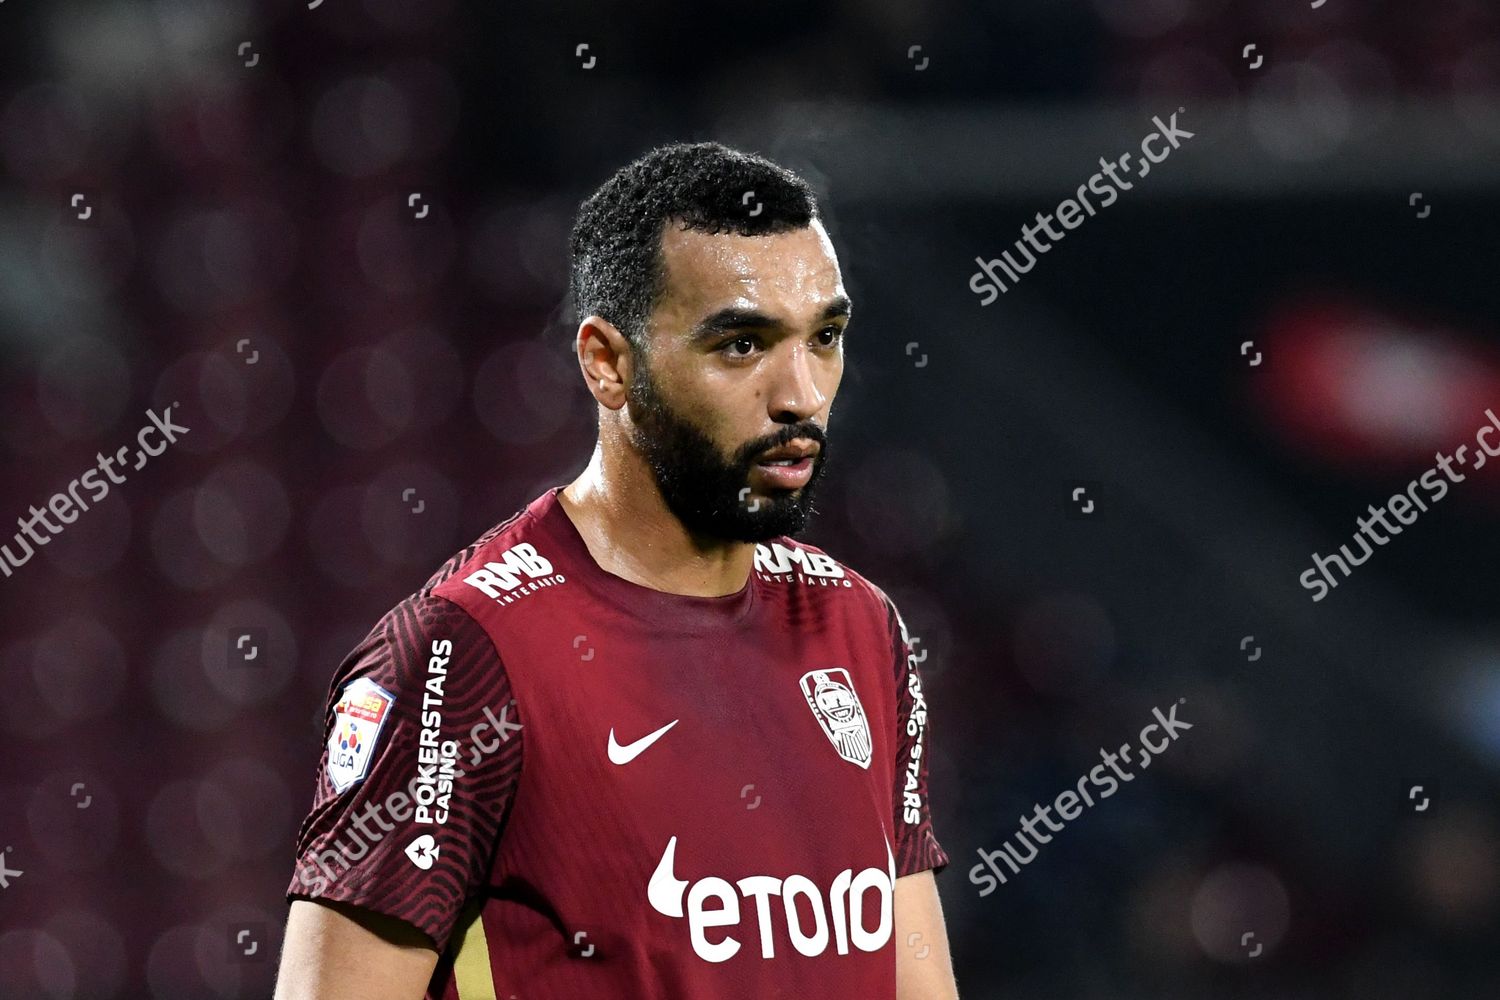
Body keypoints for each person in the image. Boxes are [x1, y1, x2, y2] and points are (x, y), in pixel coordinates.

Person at [273, 141, 959, 999]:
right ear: (608, 362)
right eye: (742, 346)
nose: (801, 394)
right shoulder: (465, 653)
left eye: (823, 338)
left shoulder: (863, 626)